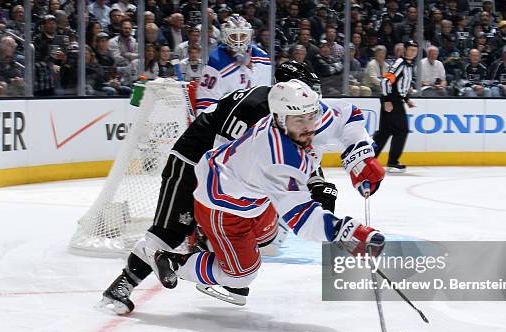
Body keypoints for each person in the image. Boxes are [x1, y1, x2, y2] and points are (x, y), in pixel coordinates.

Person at [100, 62, 383, 313]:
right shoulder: (258, 119)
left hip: (236, 177)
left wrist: (359, 156)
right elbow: (246, 161)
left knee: (265, 234)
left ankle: (218, 257)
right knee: (170, 230)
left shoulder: (295, 113)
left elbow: (339, 122)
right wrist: (343, 226)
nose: (314, 114)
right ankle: (123, 285)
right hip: (195, 162)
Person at [195, 14, 271, 113]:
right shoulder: (217, 63)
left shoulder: (262, 58)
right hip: (228, 120)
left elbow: (266, 97)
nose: (238, 41)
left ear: (249, 36)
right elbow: (206, 102)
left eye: (242, 36)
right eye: (234, 36)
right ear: (225, 37)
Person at [374, 39, 418, 173]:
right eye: (410, 49)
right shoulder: (400, 63)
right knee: (402, 130)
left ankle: (367, 158)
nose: (413, 52)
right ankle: (392, 161)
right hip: (392, 100)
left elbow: (399, 85)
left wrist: (406, 99)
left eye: (415, 50)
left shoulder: (409, 65)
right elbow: (385, 81)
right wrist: (387, 100)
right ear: (404, 50)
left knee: (384, 132)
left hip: (396, 99)